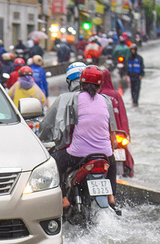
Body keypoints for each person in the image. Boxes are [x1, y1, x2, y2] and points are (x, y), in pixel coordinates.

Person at [39, 66, 117, 208]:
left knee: (55, 163)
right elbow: (112, 133)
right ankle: (111, 197)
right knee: (112, 164)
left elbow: (64, 126)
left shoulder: (72, 99)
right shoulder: (106, 100)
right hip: (104, 153)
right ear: (100, 85)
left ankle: (63, 200)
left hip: (78, 153)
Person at [100, 68, 133, 176]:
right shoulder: (116, 94)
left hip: (106, 133)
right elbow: (123, 115)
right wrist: (126, 133)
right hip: (119, 133)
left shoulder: (98, 96)